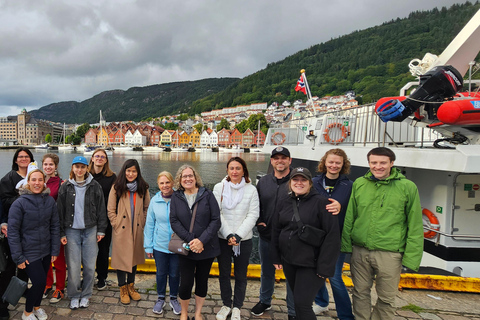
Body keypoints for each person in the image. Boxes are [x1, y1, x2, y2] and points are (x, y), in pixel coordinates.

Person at [252, 147, 340, 320]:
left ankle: (294, 311)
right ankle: (265, 300)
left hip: (304, 249)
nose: (280, 161)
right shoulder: (264, 182)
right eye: (276, 158)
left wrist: (338, 205)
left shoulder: (307, 190)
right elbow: (258, 206)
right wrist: (259, 222)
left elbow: (329, 226)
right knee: (267, 272)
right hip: (272, 239)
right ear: (271, 161)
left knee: (298, 292)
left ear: (290, 160)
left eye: (283, 158)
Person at [341, 147, 424, 320]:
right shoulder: (360, 184)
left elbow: (415, 224)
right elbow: (351, 215)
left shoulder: (407, 187)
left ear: (391, 163)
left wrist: (411, 258)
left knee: (386, 298)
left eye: (382, 163)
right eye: (374, 162)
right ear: (369, 163)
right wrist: (346, 245)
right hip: (361, 250)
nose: (378, 166)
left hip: (390, 252)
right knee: (359, 292)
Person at [271, 167, 340, 320]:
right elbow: (276, 230)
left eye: (303, 180)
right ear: (290, 182)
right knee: (298, 301)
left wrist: (325, 267)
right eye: (295, 179)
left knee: (302, 304)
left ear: (310, 183)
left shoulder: (322, 203)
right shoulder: (284, 202)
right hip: (290, 261)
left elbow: (332, 237)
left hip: (311, 263)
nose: (299, 183)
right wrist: (276, 256)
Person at [8, 163, 60, 320]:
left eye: (40, 180)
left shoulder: (49, 201)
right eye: (33, 180)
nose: (37, 183)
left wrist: (54, 250)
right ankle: (27, 312)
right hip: (28, 251)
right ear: (28, 182)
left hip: (45, 249)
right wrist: (18, 257)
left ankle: (37, 307)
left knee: (42, 282)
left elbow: (55, 226)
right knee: (38, 282)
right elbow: (13, 232)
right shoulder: (19, 203)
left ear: (44, 182)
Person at [170, 165, 221, 320]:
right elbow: (174, 221)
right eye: (184, 176)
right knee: (185, 283)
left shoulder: (207, 195)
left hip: (206, 248)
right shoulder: (176, 197)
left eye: (190, 175)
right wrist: (193, 240)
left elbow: (215, 220)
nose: (188, 179)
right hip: (186, 248)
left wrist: (201, 241)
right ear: (180, 179)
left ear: (195, 177)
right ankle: (184, 313)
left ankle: (198, 313)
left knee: (202, 281)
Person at [57, 156, 107, 310]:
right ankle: (73, 295)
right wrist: (61, 233)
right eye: (76, 167)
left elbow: (101, 209)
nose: (79, 170)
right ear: (72, 168)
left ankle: (86, 294)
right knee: (73, 266)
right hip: (71, 230)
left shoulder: (95, 186)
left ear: (87, 168)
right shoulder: (65, 187)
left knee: (90, 265)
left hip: (90, 229)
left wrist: (101, 229)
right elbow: (60, 211)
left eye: (82, 167)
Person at [213, 157, 259, 320]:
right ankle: (226, 304)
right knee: (224, 273)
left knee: (241, 275)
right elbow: (216, 213)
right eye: (231, 168)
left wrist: (238, 235)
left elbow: (253, 214)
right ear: (227, 170)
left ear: (244, 171)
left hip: (243, 239)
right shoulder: (219, 188)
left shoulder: (251, 190)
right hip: (223, 238)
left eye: (238, 168)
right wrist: (228, 235)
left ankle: (237, 306)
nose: (234, 171)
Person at [311, 149, 354, 319]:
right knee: (316, 271)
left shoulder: (349, 186)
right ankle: (321, 302)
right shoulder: (314, 182)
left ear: (343, 165)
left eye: (338, 163)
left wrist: (342, 207)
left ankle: (345, 315)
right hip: (317, 236)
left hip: (338, 236)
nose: (334, 165)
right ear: (324, 162)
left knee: (335, 277)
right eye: (331, 162)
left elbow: (354, 210)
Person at [107, 159, 150, 305]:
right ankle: (122, 288)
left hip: (137, 227)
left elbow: (146, 208)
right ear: (124, 171)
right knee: (121, 259)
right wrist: (116, 223)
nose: (131, 174)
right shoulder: (117, 187)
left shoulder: (143, 187)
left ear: (137, 173)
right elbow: (110, 209)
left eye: (134, 171)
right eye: (128, 170)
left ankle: (131, 286)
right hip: (122, 228)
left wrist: (142, 221)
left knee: (134, 257)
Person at [0, 147, 34, 319]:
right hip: (12, 228)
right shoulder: (8, 179)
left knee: (25, 264)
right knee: (9, 268)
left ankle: (20, 289)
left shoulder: (34, 176)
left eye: (26, 156)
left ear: (31, 159)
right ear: (15, 160)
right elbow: (4, 202)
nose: (23, 159)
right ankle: (2, 304)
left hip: (30, 230)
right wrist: (23, 196)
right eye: (20, 156)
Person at [144, 171, 181, 315]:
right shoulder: (155, 201)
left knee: (174, 273)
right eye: (162, 183)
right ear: (158, 185)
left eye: (167, 182)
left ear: (172, 183)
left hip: (177, 244)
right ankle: (160, 298)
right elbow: (150, 224)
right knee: (161, 273)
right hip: (159, 244)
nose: (165, 186)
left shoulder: (179, 198)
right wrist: (148, 245)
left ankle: (173, 298)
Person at [88, 148, 117, 290]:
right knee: (86, 250)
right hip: (87, 219)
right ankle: (87, 277)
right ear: (92, 158)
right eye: (97, 156)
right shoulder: (85, 175)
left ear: (106, 160)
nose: (99, 158)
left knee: (103, 251)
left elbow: (116, 199)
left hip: (104, 220)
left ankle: (102, 278)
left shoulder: (112, 177)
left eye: (102, 157)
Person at [42, 154, 67, 304]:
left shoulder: (60, 183)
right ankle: (47, 284)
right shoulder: (37, 181)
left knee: (58, 259)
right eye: (45, 164)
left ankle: (60, 288)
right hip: (41, 227)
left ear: (56, 166)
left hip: (55, 226)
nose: (48, 167)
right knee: (44, 258)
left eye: (51, 164)